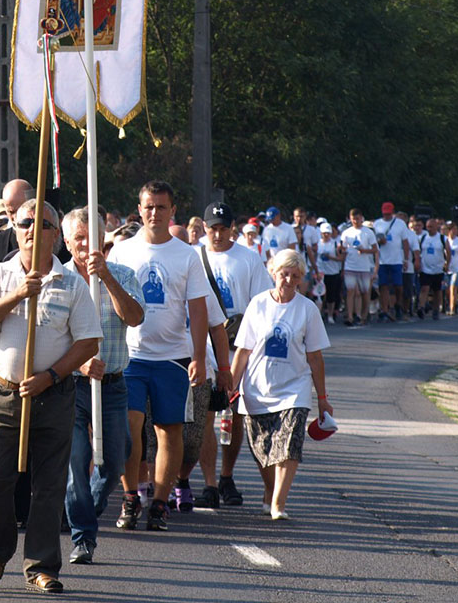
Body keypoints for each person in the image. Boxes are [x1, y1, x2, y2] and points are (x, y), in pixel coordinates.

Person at [0, 201, 101, 593]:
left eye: (43, 224)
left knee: (50, 482)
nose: (32, 229)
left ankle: (42, 565)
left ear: (55, 235)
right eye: (26, 222)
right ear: (15, 227)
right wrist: (17, 295)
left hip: (53, 393)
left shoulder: (71, 283)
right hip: (3, 392)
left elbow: (89, 340)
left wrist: (51, 375)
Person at [107, 181, 210, 532]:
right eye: (148, 207)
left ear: (172, 211)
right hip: (130, 355)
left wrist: (199, 357)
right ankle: (131, 497)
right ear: (139, 209)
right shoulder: (121, 251)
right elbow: (107, 303)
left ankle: (160, 503)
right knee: (129, 427)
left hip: (173, 358)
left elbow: (198, 310)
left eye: (161, 207)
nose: (154, 213)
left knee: (169, 431)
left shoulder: (186, 255)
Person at [60, 206, 144, 564]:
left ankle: (82, 511)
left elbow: (136, 317)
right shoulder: (57, 279)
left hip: (112, 383)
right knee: (77, 460)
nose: (84, 244)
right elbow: (50, 336)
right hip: (71, 385)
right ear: (67, 241)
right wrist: (79, 360)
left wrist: (106, 278)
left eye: (90, 238)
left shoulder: (122, 274)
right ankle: (83, 537)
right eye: (78, 238)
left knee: (115, 459)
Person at [229, 249, 332, 520]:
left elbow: (315, 358)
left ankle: (278, 503)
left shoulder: (307, 309)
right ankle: (270, 489)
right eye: (284, 274)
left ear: (300, 280)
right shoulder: (258, 304)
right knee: (262, 450)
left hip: (293, 390)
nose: (287, 280)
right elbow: (243, 350)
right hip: (256, 390)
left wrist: (322, 397)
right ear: (274, 273)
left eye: (294, 276)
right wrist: (231, 385)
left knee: (289, 445)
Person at [197, 203, 272, 509]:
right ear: (204, 228)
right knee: (205, 415)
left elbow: (261, 303)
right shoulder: (193, 256)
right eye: (212, 228)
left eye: (222, 228)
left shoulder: (248, 259)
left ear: (232, 229)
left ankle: (227, 476)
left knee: (234, 415)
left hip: (237, 344)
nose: (217, 234)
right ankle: (210, 482)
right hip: (202, 345)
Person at [339, 209, 377, 327]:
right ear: (350, 219)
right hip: (350, 265)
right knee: (350, 291)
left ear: (362, 218)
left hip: (364, 267)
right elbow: (343, 249)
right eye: (353, 218)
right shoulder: (346, 233)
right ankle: (350, 316)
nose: (355, 221)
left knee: (364, 292)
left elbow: (375, 249)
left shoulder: (368, 232)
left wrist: (364, 251)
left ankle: (364, 315)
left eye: (357, 218)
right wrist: (341, 252)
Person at [373, 202, 409, 322]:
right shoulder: (377, 223)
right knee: (383, 285)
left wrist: (406, 259)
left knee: (398, 285)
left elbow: (405, 242)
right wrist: (380, 242)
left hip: (396, 260)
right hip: (383, 260)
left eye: (389, 213)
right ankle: (384, 310)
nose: (387, 216)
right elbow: (374, 241)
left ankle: (398, 304)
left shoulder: (400, 224)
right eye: (385, 213)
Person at [415, 216, 449, 320]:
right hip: (425, 268)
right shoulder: (423, 238)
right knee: (424, 288)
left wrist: (447, 263)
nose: (429, 229)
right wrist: (418, 263)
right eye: (428, 227)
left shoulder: (442, 238)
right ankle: (421, 307)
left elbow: (448, 251)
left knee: (437, 291)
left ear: (436, 227)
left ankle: (435, 310)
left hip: (438, 269)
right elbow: (418, 251)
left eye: (432, 227)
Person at [315, 222, 345, 325]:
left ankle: (330, 315)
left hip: (333, 272)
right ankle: (319, 314)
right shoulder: (317, 244)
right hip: (321, 272)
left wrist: (330, 257)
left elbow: (341, 258)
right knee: (320, 294)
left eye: (328, 233)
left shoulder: (336, 244)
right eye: (324, 233)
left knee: (331, 295)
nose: (326, 235)